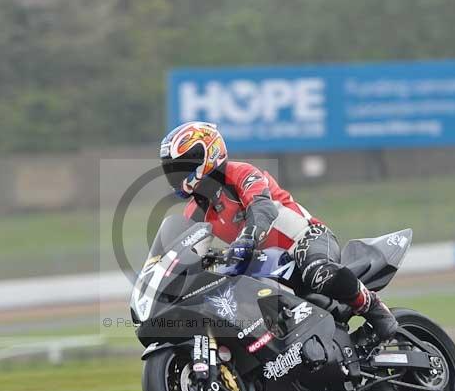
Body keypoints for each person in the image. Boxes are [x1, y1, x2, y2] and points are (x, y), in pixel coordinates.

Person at [159, 121, 398, 340]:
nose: (178, 175)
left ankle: (372, 306)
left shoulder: (240, 173)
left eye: (184, 166)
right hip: (262, 263)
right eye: (173, 170)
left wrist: (247, 238)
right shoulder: (193, 212)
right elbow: (188, 249)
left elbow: (263, 209)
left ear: (210, 154)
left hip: (304, 238)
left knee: (318, 272)